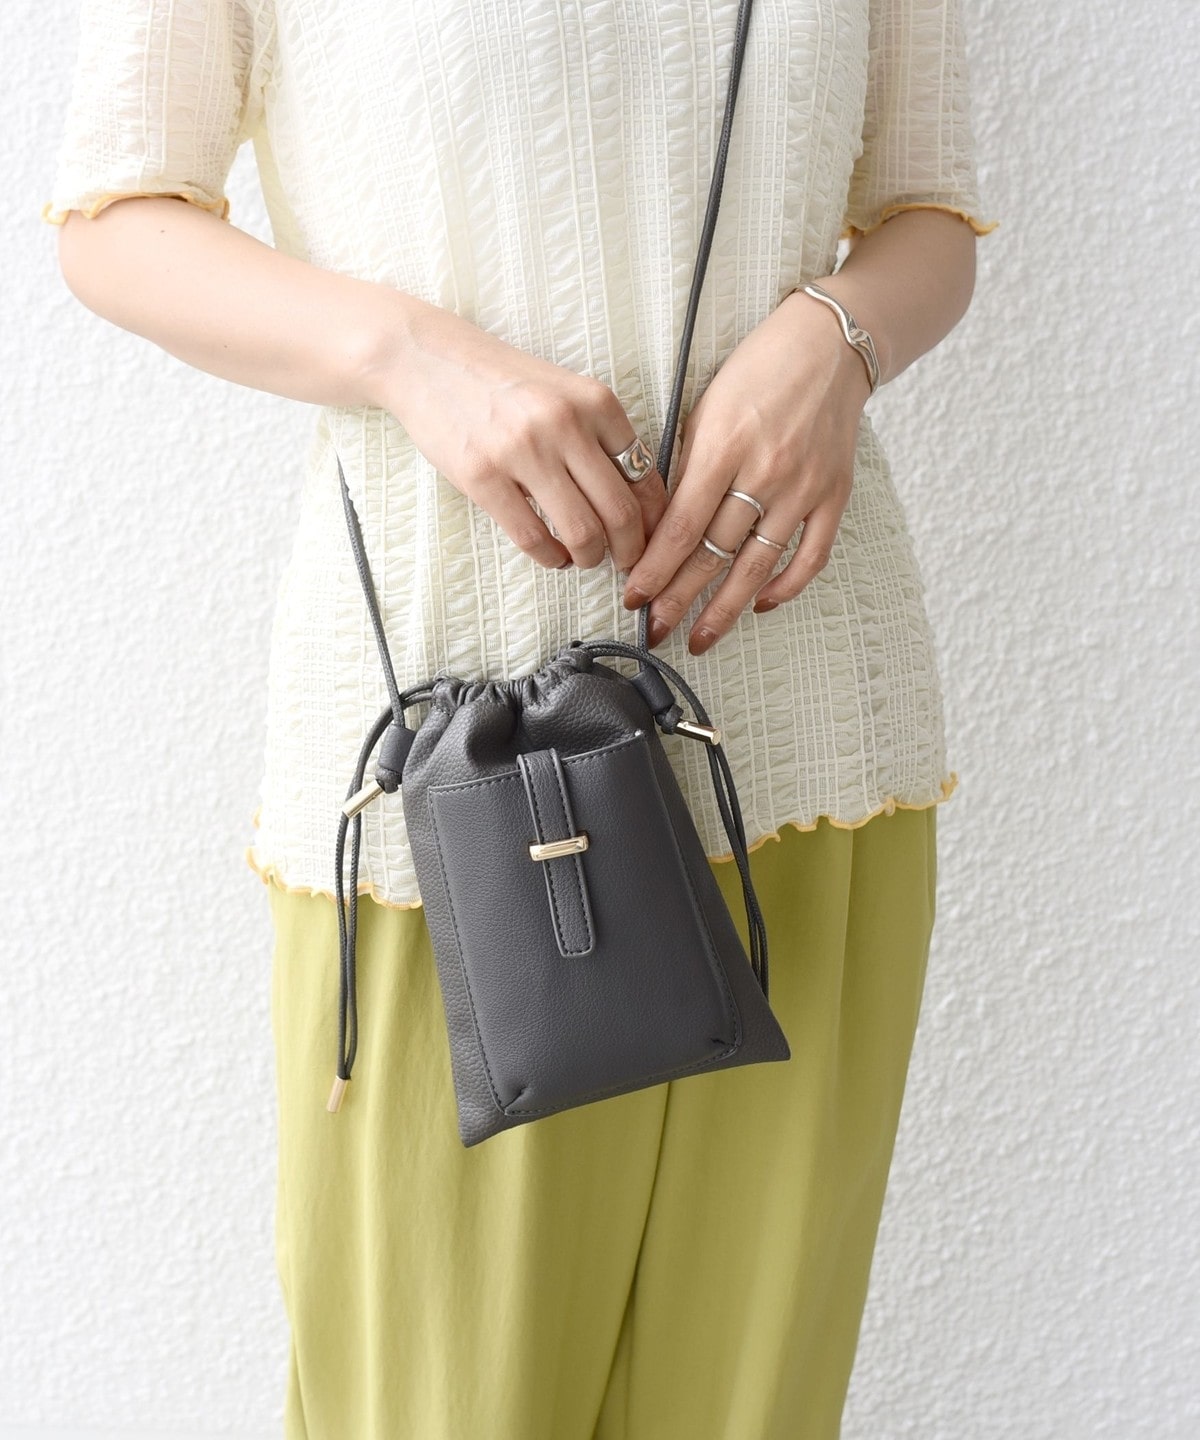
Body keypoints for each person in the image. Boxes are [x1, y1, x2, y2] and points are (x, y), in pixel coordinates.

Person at [42, 1, 998, 1435]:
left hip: (808, 740)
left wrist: (836, 339)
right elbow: (116, 215)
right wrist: (409, 355)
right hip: (445, 768)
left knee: (750, 1410)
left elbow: (927, 212)